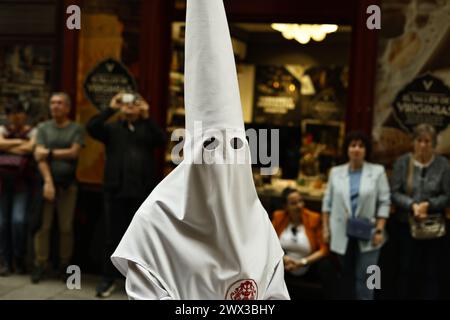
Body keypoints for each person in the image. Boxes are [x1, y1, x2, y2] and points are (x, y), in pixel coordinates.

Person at [110, 0, 290, 300]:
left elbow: (275, 293)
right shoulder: (156, 220)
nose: (222, 159)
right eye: (209, 146)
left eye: (234, 146)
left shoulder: (256, 219)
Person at [86, 92, 166, 298]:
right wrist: (111, 108)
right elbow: (92, 127)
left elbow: (161, 139)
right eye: (126, 103)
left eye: (134, 103)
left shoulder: (146, 129)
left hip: (142, 193)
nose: (129, 106)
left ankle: (141, 281)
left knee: (142, 238)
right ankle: (107, 279)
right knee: (112, 236)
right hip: (116, 190)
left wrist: (147, 116)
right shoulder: (112, 129)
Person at [322, 131, 391, 300]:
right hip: (341, 233)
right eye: (353, 145)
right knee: (346, 277)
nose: (357, 149)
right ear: (347, 149)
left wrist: (380, 230)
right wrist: (325, 228)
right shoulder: (335, 172)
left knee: (369, 278)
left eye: (361, 145)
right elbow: (327, 203)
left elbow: (385, 202)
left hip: (369, 233)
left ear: (366, 150)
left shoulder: (377, 172)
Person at [391, 123, 450, 299]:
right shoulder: (403, 162)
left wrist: (428, 205)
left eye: (427, 141)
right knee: (406, 270)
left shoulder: (443, 164)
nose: (423, 145)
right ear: (413, 142)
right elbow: (394, 192)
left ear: (433, 144)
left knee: (431, 272)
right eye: (419, 140)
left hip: (433, 229)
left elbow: (448, 195)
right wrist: (412, 205)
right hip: (405, 226)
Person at [31, 92, 84, 283]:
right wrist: (48, 182)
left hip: (68, 185)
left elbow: (74, 153)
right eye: (52, 103)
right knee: (43, 227)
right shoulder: (43, 128)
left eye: (60, 103)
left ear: (68, 107)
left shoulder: (76, 129)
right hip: (46, 184)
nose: (55, 106)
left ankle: (65, 266)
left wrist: (50, 152)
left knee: (66, 227)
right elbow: (39, 157)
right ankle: (40, 264)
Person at [272, 187, 331, 299]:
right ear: (285, 206)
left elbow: (324, 250)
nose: (299, 205)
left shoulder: (314, 218)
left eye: (300, 201)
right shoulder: (279, 217)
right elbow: (270, 244)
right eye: (293, 203)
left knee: (326, 266)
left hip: (309, 264)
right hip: (285, 265)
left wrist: (302, 262)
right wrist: (284, 259)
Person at [0, 102, 37, 276]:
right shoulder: (2, 129)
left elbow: (31, 148)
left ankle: (19, 258)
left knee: (18, 221)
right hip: (2, 183)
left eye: (20, 113)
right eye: (13, 113)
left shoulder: (33, 131)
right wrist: (20, 144)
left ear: (25, 115)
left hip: (22, 183)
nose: (16, 116)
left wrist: (8, 145)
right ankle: (5, 261)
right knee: (2, 223)